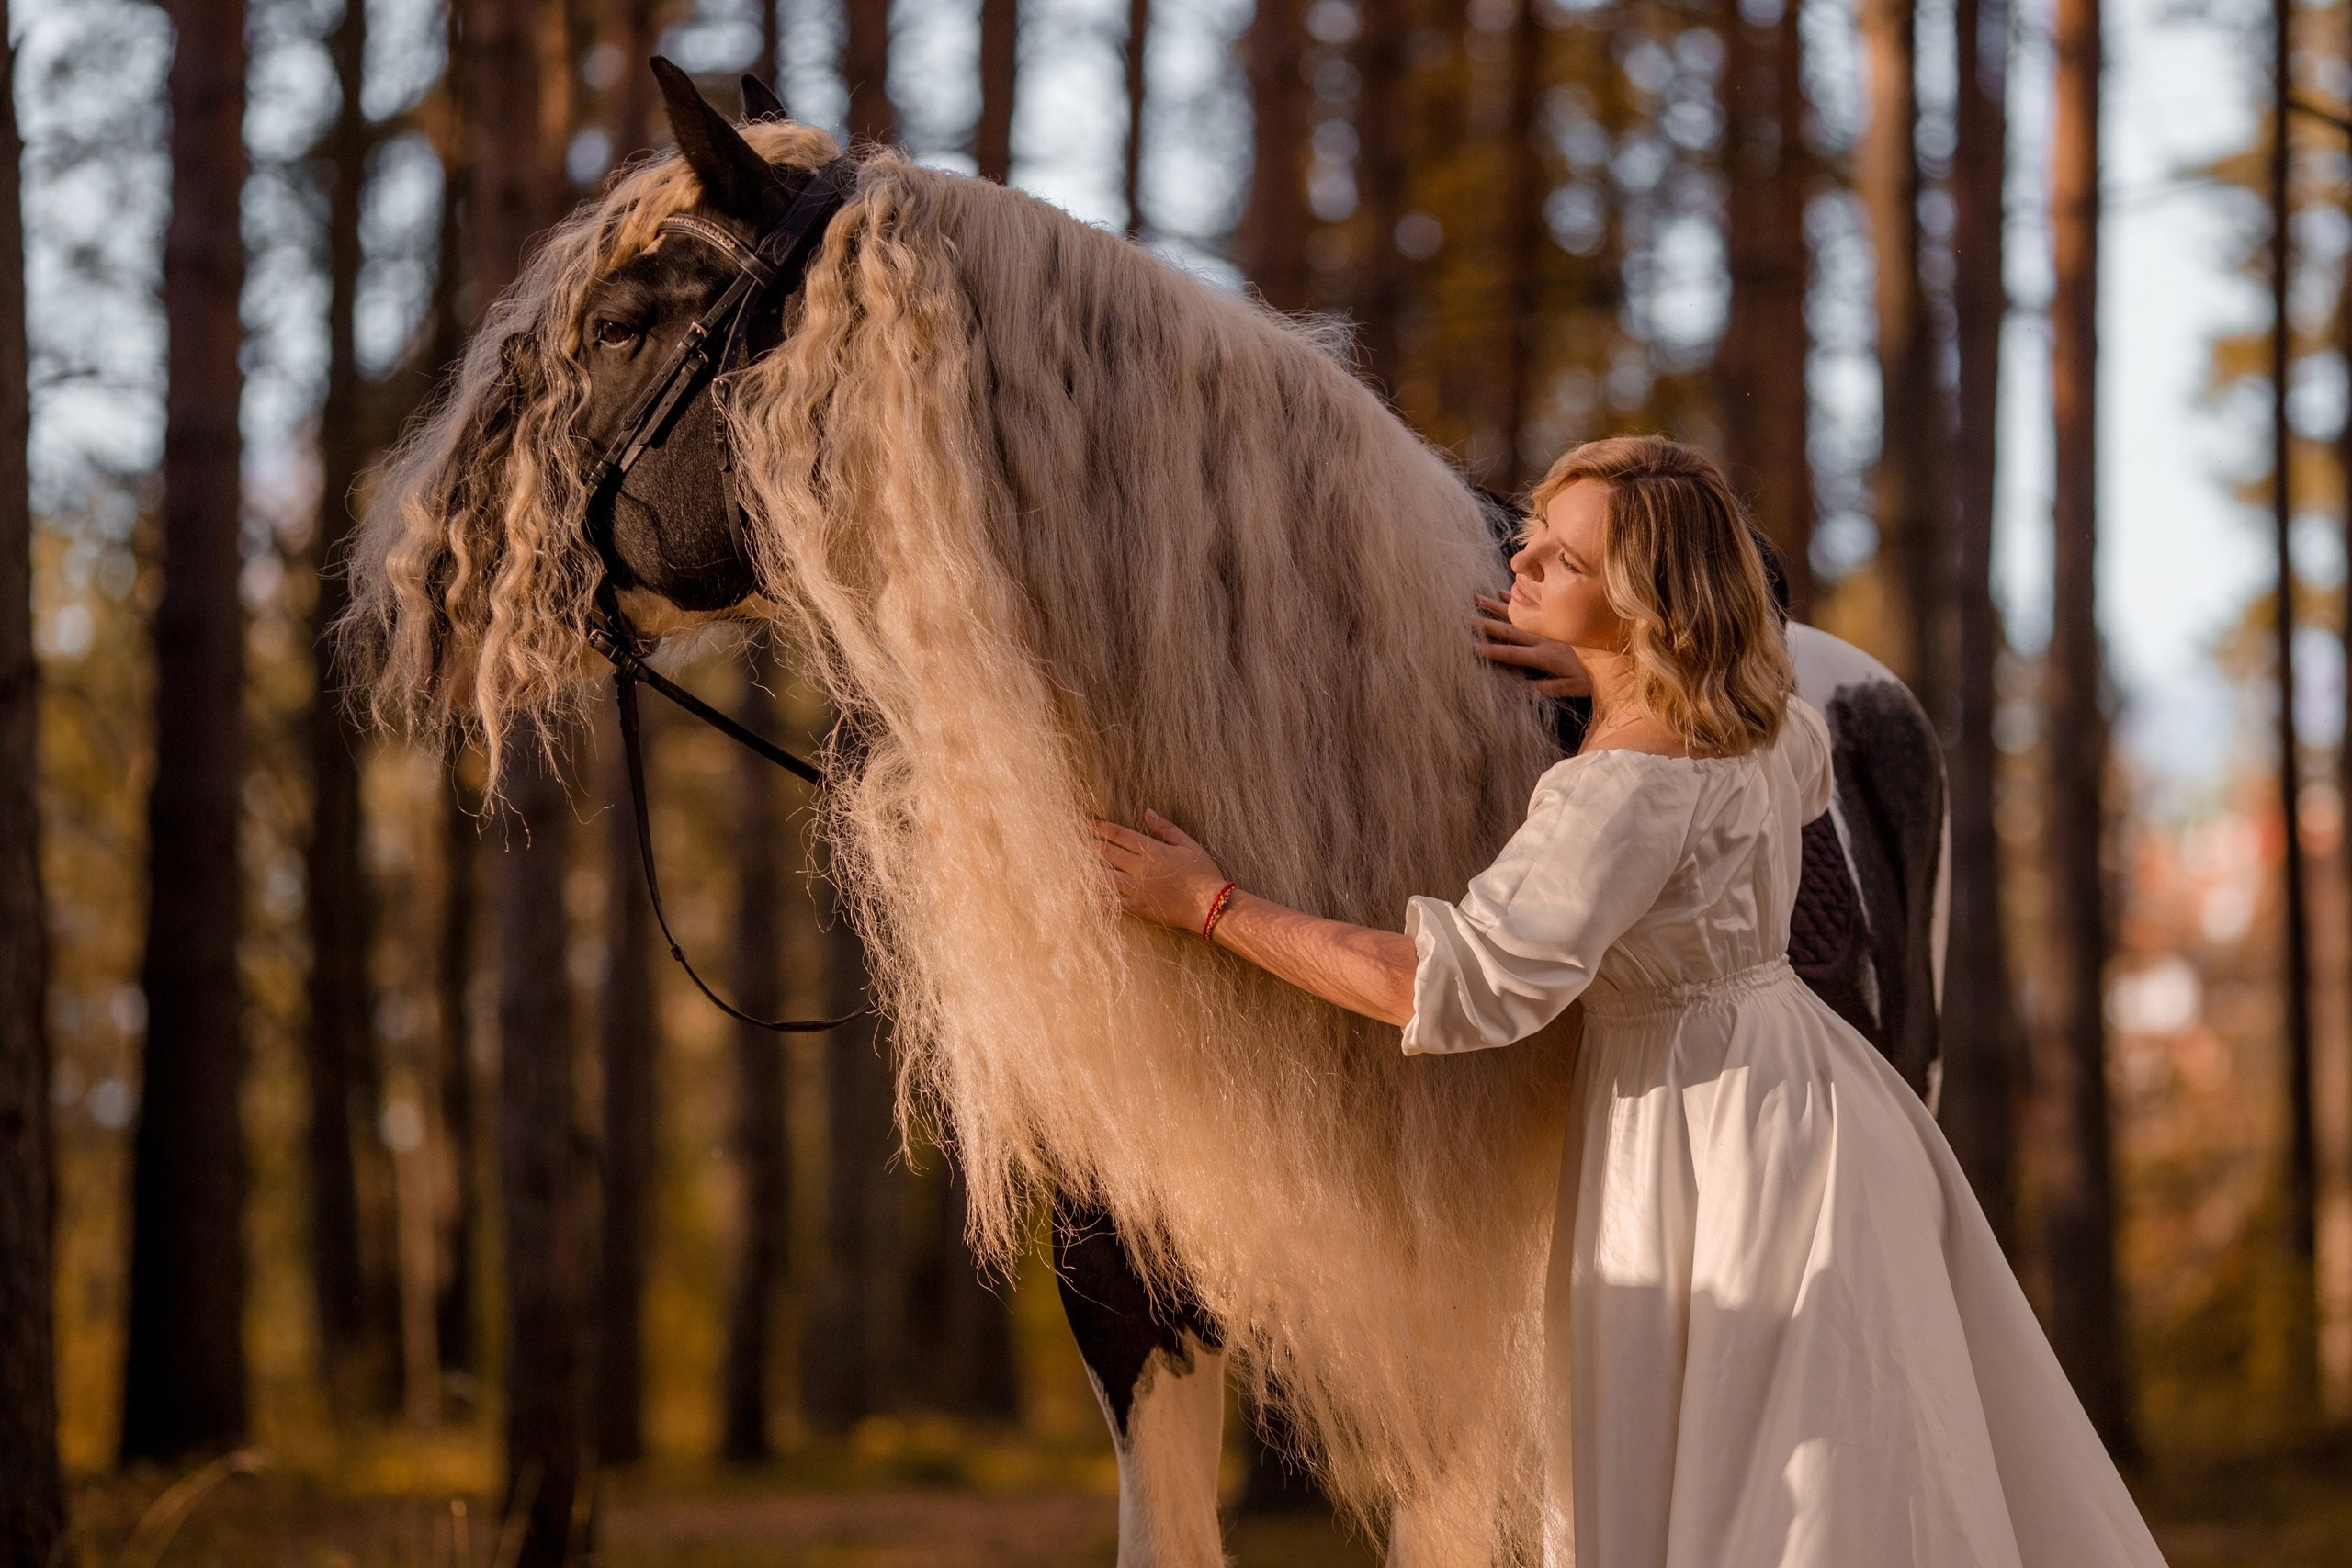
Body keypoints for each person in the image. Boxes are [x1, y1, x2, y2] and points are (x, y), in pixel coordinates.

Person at [1091, 435, 2165, 1567]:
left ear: (1647, 597)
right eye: (1534, 539)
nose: (1524, 565)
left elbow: (1446, 985)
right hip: (1819, 1102)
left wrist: (1209, 904)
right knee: (1849, 1457)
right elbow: (1756, 717)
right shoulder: (1769, 727)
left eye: (1565, 561)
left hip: (1704, 1144)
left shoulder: (1617, 792)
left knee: (1752, 1484)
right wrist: (1606, 669)